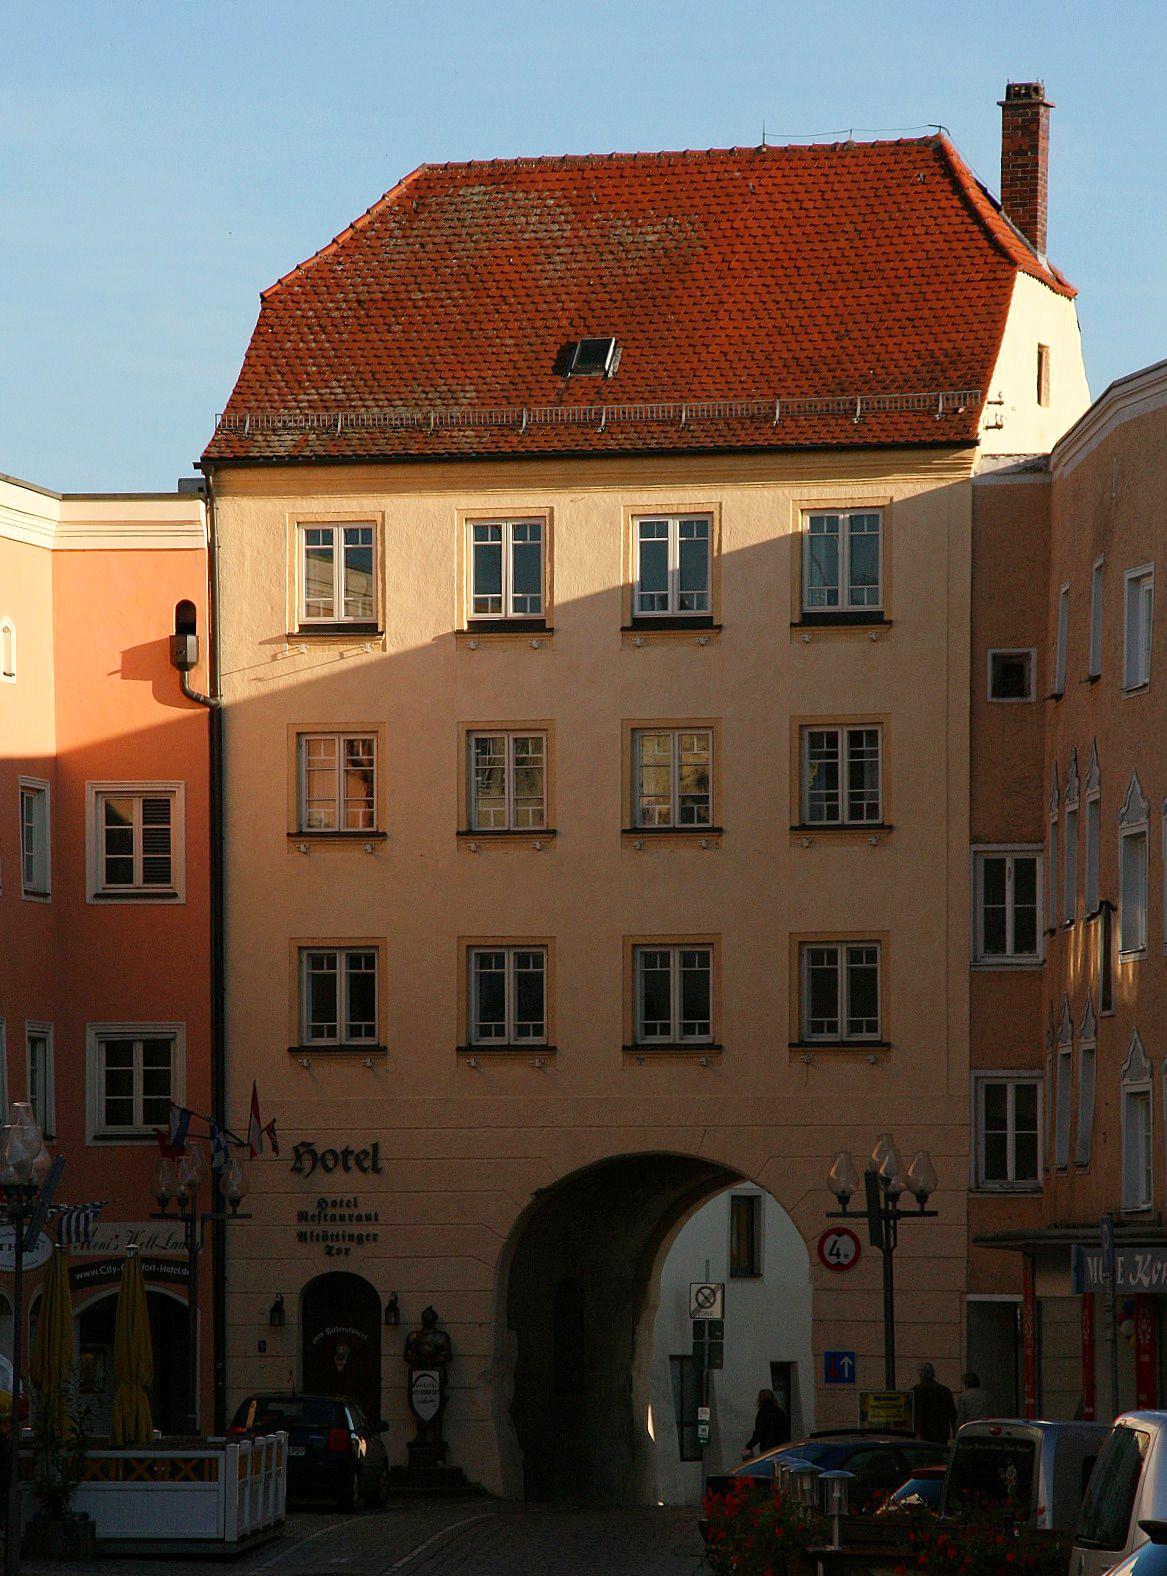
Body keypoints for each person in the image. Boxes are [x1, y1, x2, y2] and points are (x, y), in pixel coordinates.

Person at [912, 1362, 957, 1445]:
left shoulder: (915, 1391)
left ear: (920, 1375)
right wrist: (955, 1430)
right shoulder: (944, 1390)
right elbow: (952, 1413)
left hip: (922, 1430)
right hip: (940, 1431)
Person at [742, 1388, 790, 1459]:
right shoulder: (780, 1412)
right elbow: (786, 1429)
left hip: (767, 1448)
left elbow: (759, 1432)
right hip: (780, 1447)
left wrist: (749, 1446)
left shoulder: (762, 1413)